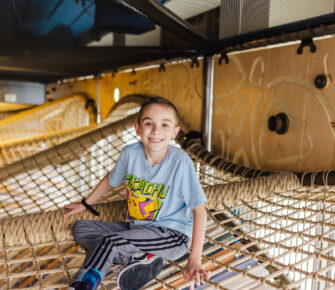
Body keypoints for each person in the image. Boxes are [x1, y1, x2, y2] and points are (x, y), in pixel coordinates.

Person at [63, 96, 210, 290]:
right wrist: (85, 203)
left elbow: (200, 210)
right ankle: (139, 258)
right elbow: (111, 179)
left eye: (165, 125)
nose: (156, 131)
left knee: (110, 242)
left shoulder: (180, 162)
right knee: (81, 228)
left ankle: (83, 284)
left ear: (175, 132)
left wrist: (194, 259)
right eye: (149, 123)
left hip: (171, 235)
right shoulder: (129, 154)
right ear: (138, 129)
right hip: (139, 230)